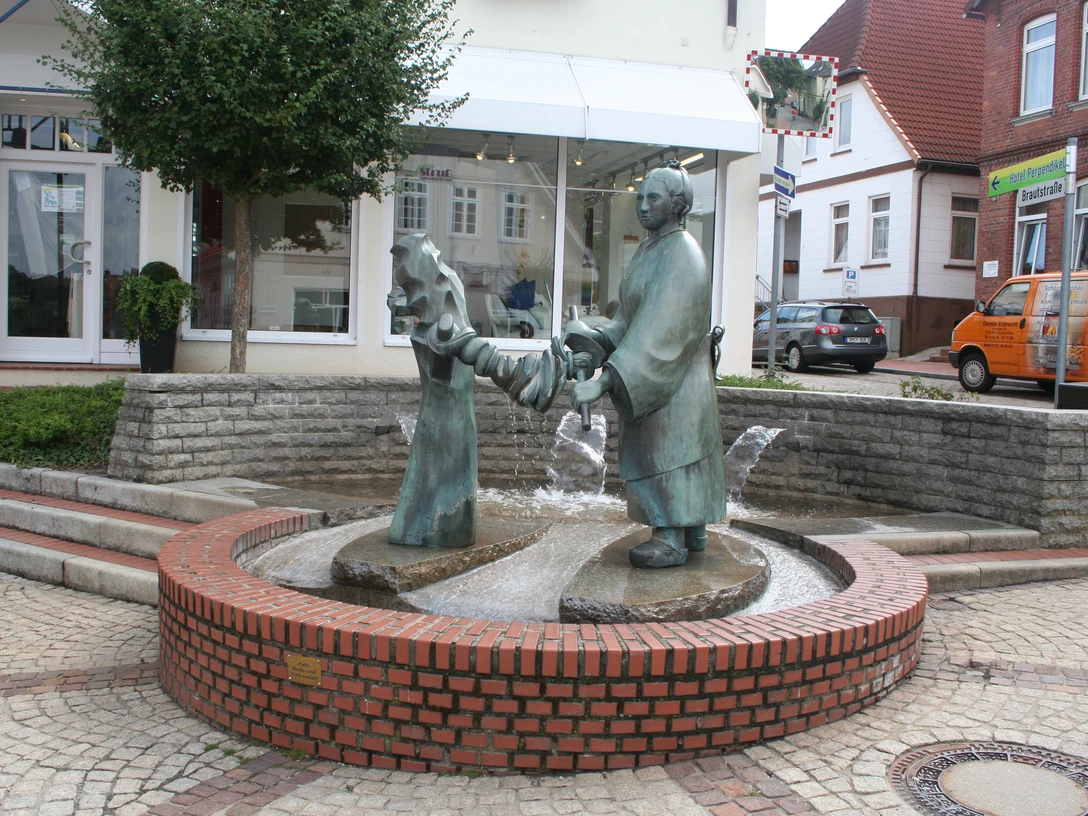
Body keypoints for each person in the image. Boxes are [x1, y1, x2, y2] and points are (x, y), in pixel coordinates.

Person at [565, 161, 727, 568]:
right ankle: (690, 529)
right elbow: (629, 321)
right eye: (639, 198)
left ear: (676, 204)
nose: (642, 206)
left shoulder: (683, 253)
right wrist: (596, 337)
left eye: (651, 198)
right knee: (668, 454)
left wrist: (603, 383)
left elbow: (661, 334)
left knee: (669, 455)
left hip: (676, 387)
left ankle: (672, 538)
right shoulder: (650, 249)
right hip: (667, 384)